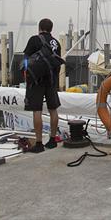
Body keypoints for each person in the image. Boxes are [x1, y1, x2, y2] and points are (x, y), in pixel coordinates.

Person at [22, 18, 64, 153]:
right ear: (51, 29)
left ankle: (39, 143)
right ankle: (52, 140)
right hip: (51, 80)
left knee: (37, 111)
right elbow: (57, 62)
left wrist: (26, 74)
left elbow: (26, 60)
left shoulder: (34, 39)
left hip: (36, 80)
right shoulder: (56, 43)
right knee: (53, 109)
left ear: (39, 28)